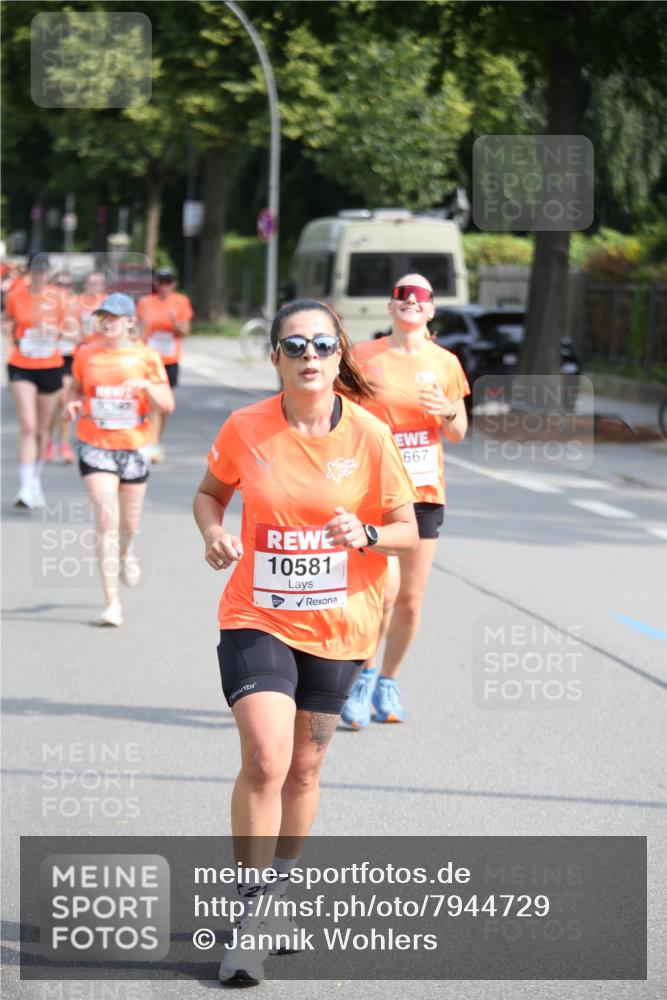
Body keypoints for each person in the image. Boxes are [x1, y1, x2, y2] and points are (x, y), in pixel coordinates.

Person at [193, 299, 417, 986]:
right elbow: (209, 494)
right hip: (256, 617)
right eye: (296, 345)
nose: (310, 356)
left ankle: (277, 894)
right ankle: (250, 913)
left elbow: (410, 528)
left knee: (304, 770)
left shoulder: (370, 436)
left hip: (341, 628)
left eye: (323, 344)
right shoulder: (246, 427)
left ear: (337, 353)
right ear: (276, 358)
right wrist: (214, 534)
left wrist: (369, 535)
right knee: (265, 756)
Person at [341, 273, 470, 729]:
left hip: (423, 493)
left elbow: (458, 431)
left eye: (420, 296)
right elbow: (339, 418)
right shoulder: (363, 357)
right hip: (375, 493)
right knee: (382, 594)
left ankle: (386, 681)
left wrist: (447, 410)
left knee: (411, 601)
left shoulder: (446, 363)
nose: (410, 301)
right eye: (401, 294)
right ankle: (362, 675)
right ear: (390, 306)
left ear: (432, 309)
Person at [63, 293, 174, 626]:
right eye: (103, 317)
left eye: (114, 317)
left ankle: (125, 554)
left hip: (135, 446)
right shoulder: (86, 353)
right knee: (106, 519)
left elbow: (166, 405)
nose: (107, 322)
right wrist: (72, 404)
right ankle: (112, 602)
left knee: (129, 525)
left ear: (130, 322)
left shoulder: (147, 356)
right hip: (95, 444)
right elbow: (77, 389)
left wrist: (146, 387)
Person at [4, 255, 67, 508]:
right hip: (22, 363)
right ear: (29, 272)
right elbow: (8, 321)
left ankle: (35, 481)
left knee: (42, 429)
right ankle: (24, 487)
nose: (40, 274)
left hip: (50, 365)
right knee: (28, 426)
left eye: (44, 270)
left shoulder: (60, 298)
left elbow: (74, 331)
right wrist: (9, 335)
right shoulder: (16, 295)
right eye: (36, 270)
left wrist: (58, 332)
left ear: (49, 272)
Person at [136, 268, 193, 463]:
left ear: (174, 283)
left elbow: (185, 332)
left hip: (170, 361)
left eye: (168, 281)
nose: (164, 285)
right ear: (155, 283)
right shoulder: (145, 302)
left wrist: (175, 323)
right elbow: (138, 328)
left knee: (163, 406)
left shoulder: (180, 302)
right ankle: (151, 444)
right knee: (152, 404)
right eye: (161, 281)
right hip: (149, 360)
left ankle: (156, 441)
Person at [44, 270, 80, 464]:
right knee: (51, 405)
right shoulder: (45, 306)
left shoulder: (76, 307)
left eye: (67, 285)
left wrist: (62, 333)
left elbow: (79, 337)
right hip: (47, 358)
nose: (63, 289)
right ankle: (49, 442)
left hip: (68, 358)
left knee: (64, 400)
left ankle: (64, 444)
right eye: (60, 285)